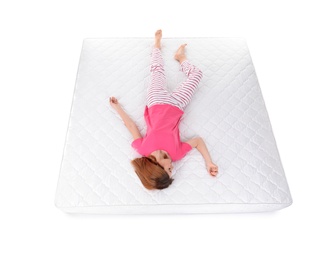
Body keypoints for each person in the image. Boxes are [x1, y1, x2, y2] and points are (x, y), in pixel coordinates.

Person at [109, 30, 218, 190]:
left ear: (157, 166)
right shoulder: (177, 154)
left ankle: (157, 45)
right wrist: (208, 162)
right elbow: (198, 141)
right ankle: (181, 58)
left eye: (168, 169)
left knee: (157, 70)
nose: (172, 168)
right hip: (177, 104)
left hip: (156, 101)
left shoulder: (143, 149)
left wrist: (117, 108)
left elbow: (131, 126)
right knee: (197, 75)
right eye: (171, 171)